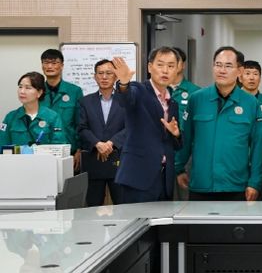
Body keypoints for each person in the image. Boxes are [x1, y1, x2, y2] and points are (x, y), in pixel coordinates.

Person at [175, 47, 262, 201]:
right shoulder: (197, 99)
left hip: (236, 185)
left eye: (228, 66)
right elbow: (186, 137)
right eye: (218, 65)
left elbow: (258, 146)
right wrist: (179, 168)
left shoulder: (251, 103)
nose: (222, 70)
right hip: (201, 184)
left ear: (239, 71)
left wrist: (254, 182)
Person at [111, 48, 182, 204]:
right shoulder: (139, 89)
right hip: (138, 177)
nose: (165, 70)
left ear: (177, 69)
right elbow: (125, 99)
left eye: (171, 66)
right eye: (160, 65)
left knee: (163, 220)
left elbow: (175, 145)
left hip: (164, 178)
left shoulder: (173, 102)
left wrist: (176, 134)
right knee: (138, 220)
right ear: (150, 67)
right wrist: (123, 83)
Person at [78, 59, 127, 206]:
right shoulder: (85, 102)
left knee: (123, 206)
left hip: (119, 158)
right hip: (94, 159)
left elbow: (131, 127)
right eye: (100, 73)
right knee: (93, 206)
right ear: (95, 77)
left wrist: (111, 143)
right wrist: (97, 144)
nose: (104, 77)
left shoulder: (125, 100)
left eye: (108, 73)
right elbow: (81, 128)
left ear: (116, 76)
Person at [40, 49, 84, 169]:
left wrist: (79, 149)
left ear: (62, 66)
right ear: (42, 65)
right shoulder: (37, 91)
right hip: (42, 150)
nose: (50, 66)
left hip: (69, 150)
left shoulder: (74, 91)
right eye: (46, 62)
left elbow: (80, 123)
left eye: (54, 63)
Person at [239, 60, 262, 200]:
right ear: (240, 77)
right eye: (247, 73)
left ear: (260, 78)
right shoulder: (233, 99)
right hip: (237, 162)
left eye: (255, 74)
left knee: (260, 204)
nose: (251, 77)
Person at [0, 72, 66, 147]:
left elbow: (59, 146)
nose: (22, 91)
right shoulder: (10, 117)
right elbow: (2, 145)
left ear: (39, 92)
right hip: (17, 155)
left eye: (28, 88)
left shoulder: (52, 117)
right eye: (20, 87)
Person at [170, 47, 201, 201]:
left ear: (182, 65)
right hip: (160, 154)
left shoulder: (196, 93)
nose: (167, 68)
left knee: (183, 201)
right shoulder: (156, 91)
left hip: (185, 154)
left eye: (173, 63)